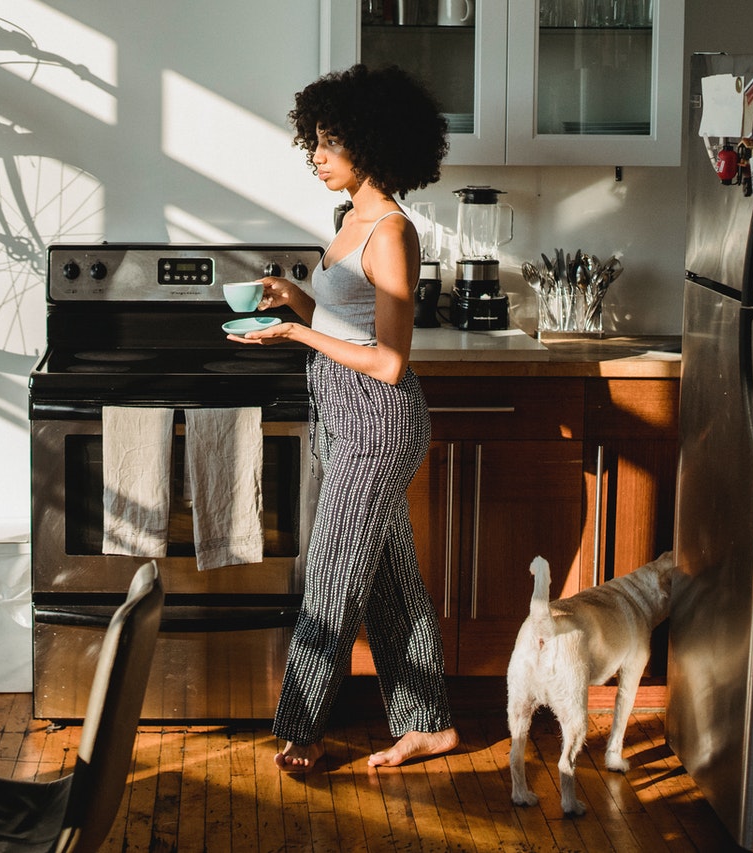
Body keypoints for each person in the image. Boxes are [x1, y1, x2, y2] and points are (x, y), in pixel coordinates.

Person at [226, 64, 459, 771]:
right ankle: (430, 723)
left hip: (378, 422)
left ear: (372, 142)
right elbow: (346, 320)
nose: (316, 156)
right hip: (343, 417)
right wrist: (293, 299)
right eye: (314, 141)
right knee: (388, 581)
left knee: (332, 574)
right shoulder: (349, 217)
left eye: (330, 143)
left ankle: (299, 727)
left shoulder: (390, 231)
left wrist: (295, 334)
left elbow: (389, 360)